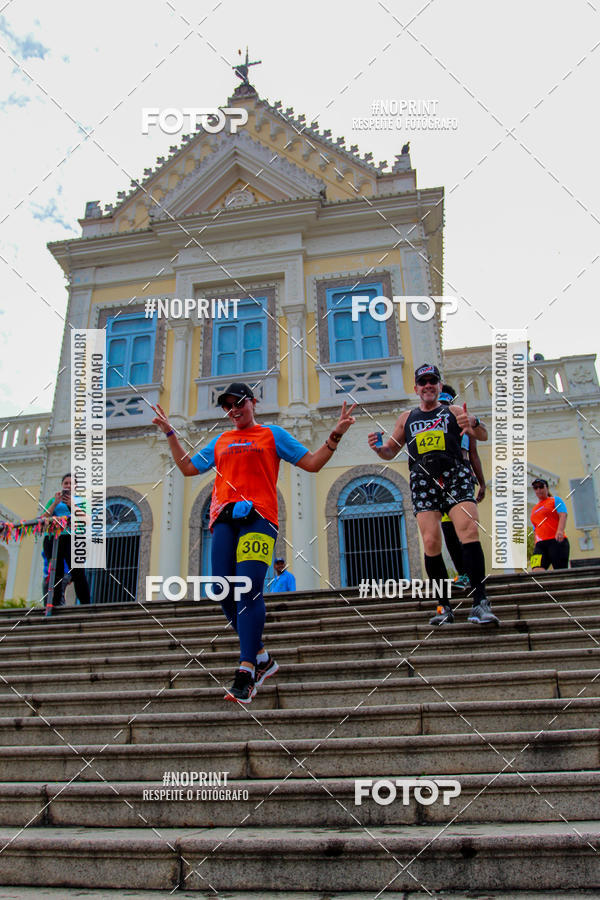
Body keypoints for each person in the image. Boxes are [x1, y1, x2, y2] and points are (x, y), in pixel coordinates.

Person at [152, 382, 356, 703]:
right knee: (221, 588)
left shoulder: (272, 435)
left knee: (248, 587)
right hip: (223, 519)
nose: (234, 410)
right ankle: (261, 655)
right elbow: (189, 468)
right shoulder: (221, 440)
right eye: (228, 406)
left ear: (253, 402)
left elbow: (313, 463)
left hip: (260, 518)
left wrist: (336, 434)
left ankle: (246, 669)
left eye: (239, 403)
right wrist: (169, 433)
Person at [368, 363, 499, 626]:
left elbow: (481, 435)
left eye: (433, 381)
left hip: (455, 475)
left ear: (439, 386)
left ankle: (480, 602)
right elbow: (390, 450)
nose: (428, 385)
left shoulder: (452, 410)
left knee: (469, 532)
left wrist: (473, 422)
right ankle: (443, 607)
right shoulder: (407, 418)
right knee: (430, 542)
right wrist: (377, 448)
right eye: (423, 382)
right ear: (416, 388)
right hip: (423, 480)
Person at [438, 384, 487, 590]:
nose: (443, 407)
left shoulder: (462, 420)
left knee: (466, 529)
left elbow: (473, 453)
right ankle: (463, 574)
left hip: (462, 479)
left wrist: (482, 482)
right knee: (449, 531)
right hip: (440, 483)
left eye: (446, 403)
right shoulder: (429, 422)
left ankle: (474, 578)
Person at [42, 473, 91, 610]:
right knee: (56, 572)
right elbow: (43, 520)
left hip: (74, 538)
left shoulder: (81, 501)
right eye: (66, 483)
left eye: (71, 483)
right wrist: (55, 504)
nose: (68, 485)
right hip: (55, 538)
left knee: (78, 572)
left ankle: (86, 604)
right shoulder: (53, 500)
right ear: (62, 485)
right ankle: (54, 603)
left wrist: (72, 505)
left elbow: (86, 520)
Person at [530, 478, 570, 571]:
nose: (538, 490)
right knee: (535, 569)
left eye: (541, 487)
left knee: (560, 571)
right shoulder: (535, 508)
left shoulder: (555, 500)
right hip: (540, 544)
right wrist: (535, 541)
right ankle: (545, 586)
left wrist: (560, 531)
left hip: (555, 541)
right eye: (536, 488)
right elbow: (535, 527)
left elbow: (563, 514)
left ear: (547, 488)